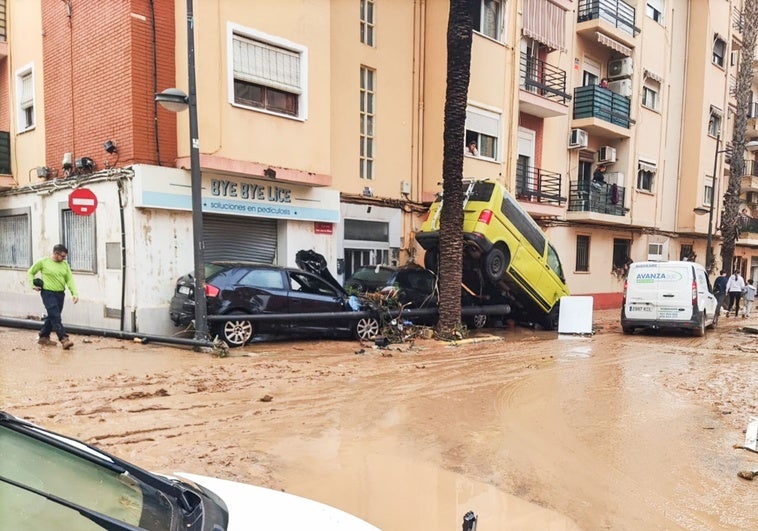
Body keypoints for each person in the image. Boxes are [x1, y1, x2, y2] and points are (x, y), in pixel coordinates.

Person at [28, 244, 79, 348]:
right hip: (48, 293)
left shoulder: (65, 265)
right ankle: (64, 339)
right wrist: (32, 285)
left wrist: (74, 294)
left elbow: (70, 280)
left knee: (53, 316)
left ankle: (43, 337)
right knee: (55, 316)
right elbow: (30, 272)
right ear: (56, 253)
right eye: (62, 256)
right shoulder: (44, 262)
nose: (64, 258)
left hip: (60, 294)